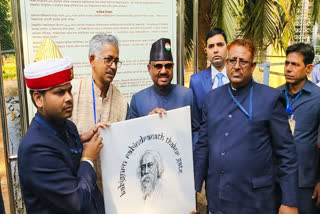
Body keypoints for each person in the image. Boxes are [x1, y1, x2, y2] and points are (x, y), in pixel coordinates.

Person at [194, 39, 298, 214]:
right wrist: (192, 190)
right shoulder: (211, 99)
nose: (236, 66)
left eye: (243, 61)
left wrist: (289, 201)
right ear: (226, 63)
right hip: (218, 197)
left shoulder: (270, 99)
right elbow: (203, 146)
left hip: (255, 200)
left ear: (253, 66)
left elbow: (286, 153)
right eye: (232, 60)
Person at [18, 39, 107, 213]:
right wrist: (88, 159)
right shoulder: (35, 148)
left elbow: (63, 154)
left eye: (68, 90)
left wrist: (82, 138)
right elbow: (77, 202)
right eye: (59, 92)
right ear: (38, 99)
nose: (68, 98)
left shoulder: (68, 127)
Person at [71, 33, 128, 190]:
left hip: (108, 189)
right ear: (92, 60)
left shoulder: (121, 102)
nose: (114, 66)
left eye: (116, 61)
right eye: (108, 60)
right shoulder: (73, 92)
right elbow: (60, 141)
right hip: (75, 187)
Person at [129, 38, 199, 145]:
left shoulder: (187, 95)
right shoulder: (138, 100)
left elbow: (196, 131)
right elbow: (132, 138)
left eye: (168, 66)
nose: (163, 71)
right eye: (158, 66)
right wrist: (147, 123)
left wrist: (190, 155)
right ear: (149, 68)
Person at [277, 43, 320, 214]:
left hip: (306, 183)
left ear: (309, 68)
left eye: (295, 64)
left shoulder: (317, 99)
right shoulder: (275, 96)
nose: (288, 68)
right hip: (276, 180)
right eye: (287, 63)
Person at [190, 28, 229, 121]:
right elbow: (195, 122)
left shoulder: (238, 76)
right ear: (206, 51)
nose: (215, 50)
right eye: (211, 46)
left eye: (220, 45)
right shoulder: (196, 81)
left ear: (228, 47)